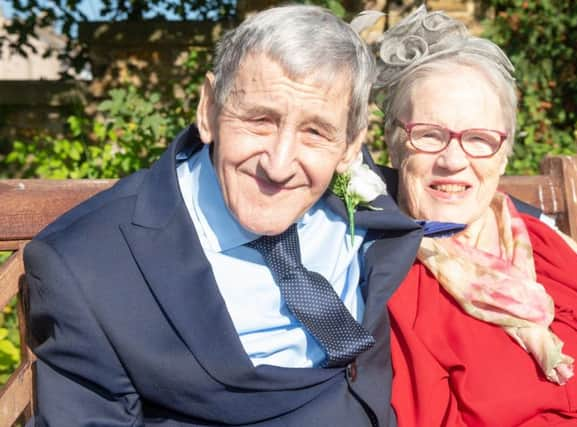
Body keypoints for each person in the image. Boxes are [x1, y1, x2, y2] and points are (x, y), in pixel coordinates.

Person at [24, 5, 424, 426]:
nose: (279, 164)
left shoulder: (372, 203)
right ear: (209, 109)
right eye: (260, 120)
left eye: (315, 131)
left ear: (349, 146)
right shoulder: (88, 268)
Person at [376, 7, 577, 427]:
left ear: (502, 157)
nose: (452, 160)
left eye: (479, 139)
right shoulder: (395, 286)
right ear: (394, 146)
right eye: (429, 134)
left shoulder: (549, 246)